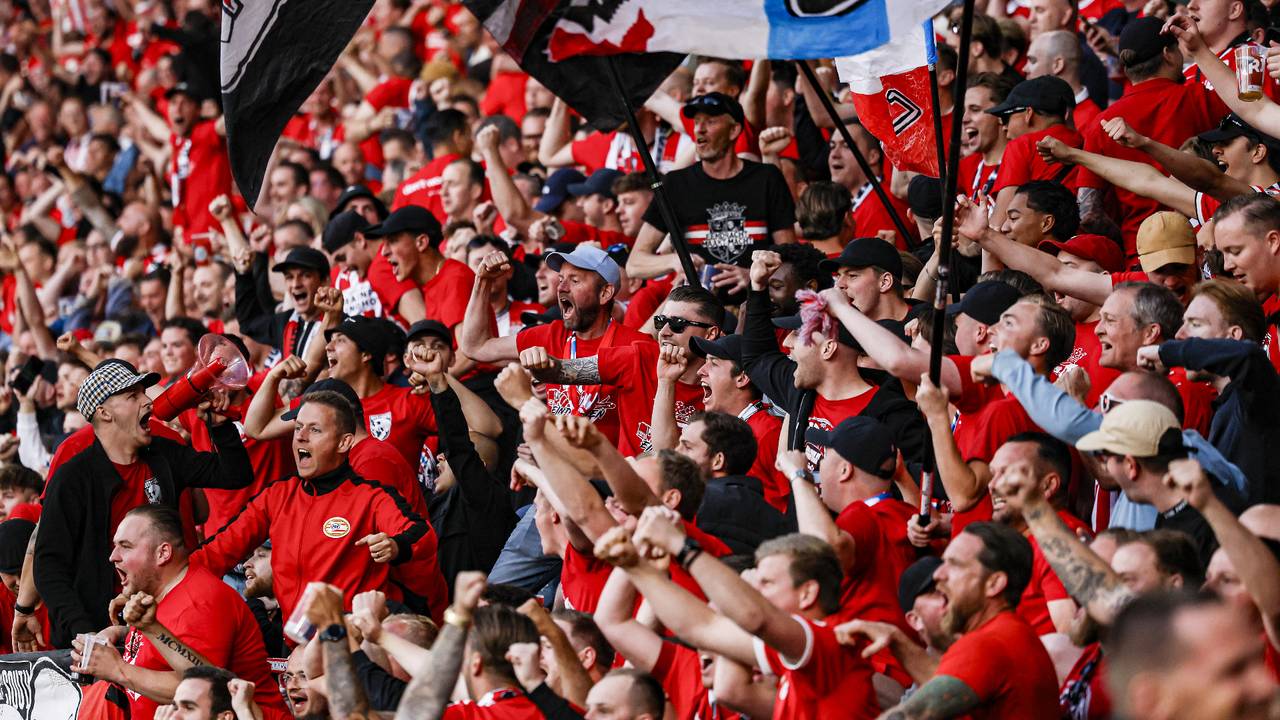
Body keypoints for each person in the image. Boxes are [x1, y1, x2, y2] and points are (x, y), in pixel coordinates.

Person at [35, 360, 255, 648]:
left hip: (163, 622)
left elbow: (235, 474)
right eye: (133, 396)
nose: (147, 402)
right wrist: (86, 633)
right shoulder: (74, 477)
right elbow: (48, 565)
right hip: (97, 631)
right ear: (104, 412)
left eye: (144, 393)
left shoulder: (163, 454)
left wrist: (221, 425)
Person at [599, 516, 881, 720]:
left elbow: (753, 617)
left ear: (807, 594)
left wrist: (679, 544)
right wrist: (637, 568)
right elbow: (704, 630)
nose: (756, 593)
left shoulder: (830, 642)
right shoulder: (785, 657)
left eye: (766, 584)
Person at [192, 390, 432, 622]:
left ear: (344, 442)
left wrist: (396, 545)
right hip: (295, 641)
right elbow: (220, 550)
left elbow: (422, 534)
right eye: (298, 428)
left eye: (314, 429)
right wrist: (170, 578)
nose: (301, 436)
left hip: (353, 642)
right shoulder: (278, 495)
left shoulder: (371, 496)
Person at [69, 506, 285, 720]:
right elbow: (171, 642)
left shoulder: (200, 601)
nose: (113, 556)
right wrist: (121, 632)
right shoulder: (162, 591)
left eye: (126, 546)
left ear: (163, 553)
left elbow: (204, 688)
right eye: (115, 546)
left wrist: (118, 670)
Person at [838, 523, 1061, 718]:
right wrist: (895, 640)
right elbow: (941, 681)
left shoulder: (989, 644)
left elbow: (911, 716)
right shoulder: (1008, 634)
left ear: (994, 584)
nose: (938, 574)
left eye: (954, 564)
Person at [627, 93, 795, 292]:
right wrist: (674, 260)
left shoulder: (766, 178)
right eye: (696, 122)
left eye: (711, 121)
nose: (700, 129)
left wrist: (754, 276)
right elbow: (634, 264)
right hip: (697, 308)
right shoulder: (676, 183)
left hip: (757, 302)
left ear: (734, 130)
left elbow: (790, 256)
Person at [689, 333, 790, 510]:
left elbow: (790, 502)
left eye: (713, 363)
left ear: (742, 378)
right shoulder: (721, 429)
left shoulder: (769, 432)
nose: (700, 371)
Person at [677, 411, 793, 554]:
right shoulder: (761, 509)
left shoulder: (702, 503)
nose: (676, 452)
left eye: (687, 447)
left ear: (717, 461)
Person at [985, 75, 1081, 226]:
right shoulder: (1086, 144)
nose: (1004, 128)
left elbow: (998, 225)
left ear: (1029, 114)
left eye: (1006, 118)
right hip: (1085, 242)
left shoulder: (1022, 146)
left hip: (1040, 246)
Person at [821, 237, 912, 322]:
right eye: (838, 276)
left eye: (852, 276)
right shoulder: (841, 332)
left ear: (885, 282)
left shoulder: (923, 324)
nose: (839, 284)